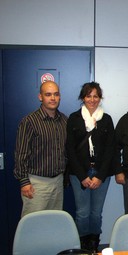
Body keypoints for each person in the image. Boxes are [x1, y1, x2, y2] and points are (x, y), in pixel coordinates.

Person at [66, 82, 115, 252]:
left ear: (100, 98)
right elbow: (70, 150)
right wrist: (82, 176)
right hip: (79, 174)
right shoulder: (74, 118)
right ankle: (82, 245)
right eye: (89, 95)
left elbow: (110, 150)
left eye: (96, 96)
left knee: (96, 213)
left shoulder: (106, 119)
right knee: (82, 213)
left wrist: (100, 176)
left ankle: (93, 244)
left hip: (101, 174)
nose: (92, 99)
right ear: (83, 97)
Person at [14, 81, 67, 218]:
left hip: (58, 182)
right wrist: (24, 182)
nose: (53, 98)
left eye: (56, 94)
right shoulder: (29, 121)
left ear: (60, 97)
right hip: (36, 184)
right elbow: (21, 153)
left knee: (54, 222)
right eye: (48, 94)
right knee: (32, 224)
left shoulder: (64, 121)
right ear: (40, 97)